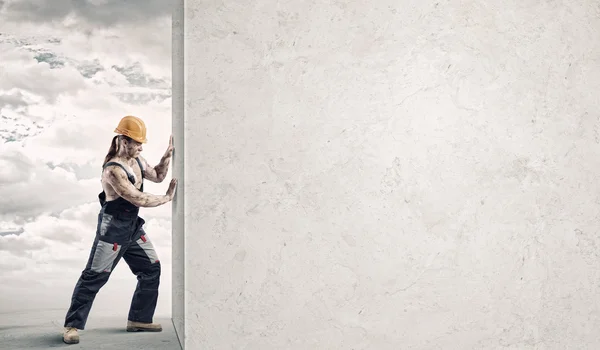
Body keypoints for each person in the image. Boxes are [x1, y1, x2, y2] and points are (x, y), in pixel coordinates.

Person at [62, 115, 178, 345]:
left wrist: (166, 156)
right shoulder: (113, 170)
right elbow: (136, 198)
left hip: (132, 229)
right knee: (94, 277)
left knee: (151, 268)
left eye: (141, 143)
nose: (140, 147)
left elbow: (157, 175)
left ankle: (140, 320)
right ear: (124, 141)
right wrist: (166, 198)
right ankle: (71, 327)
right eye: (137, 142)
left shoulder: (137, 160)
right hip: (112, 230)